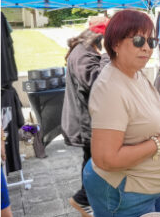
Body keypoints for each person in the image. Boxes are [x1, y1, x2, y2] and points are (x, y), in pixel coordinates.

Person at [84, 9, 160, 216]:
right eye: (139, 40)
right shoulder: (110, 88)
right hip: (125, 195)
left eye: (151, 41)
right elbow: (106, 159)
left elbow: (144, 121)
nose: (147, 48)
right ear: (115, 44)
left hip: (148, 188)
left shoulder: (136, 74)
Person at [60, 16, 109, 217]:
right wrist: (107, 54)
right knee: (96, 163)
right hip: (85, 124)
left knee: (93, 161)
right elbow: (97, 81)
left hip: (88, 122)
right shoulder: (82, 54)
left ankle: (87, 204)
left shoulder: (84, 51)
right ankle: (83, 199)